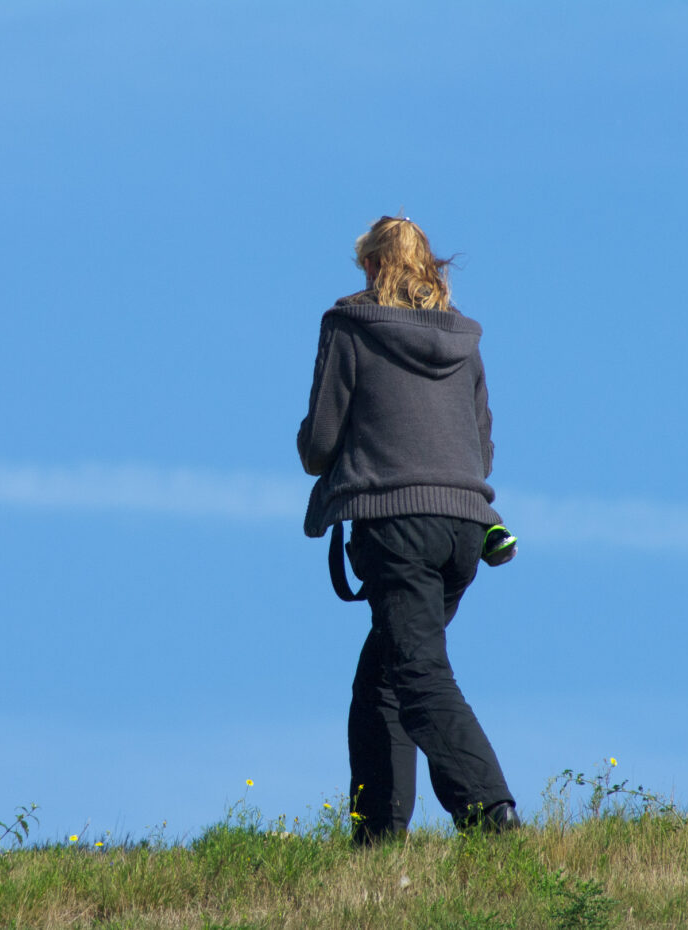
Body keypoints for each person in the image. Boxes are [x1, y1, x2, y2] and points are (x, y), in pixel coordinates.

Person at [297, 215, 520, 844]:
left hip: (396, 525)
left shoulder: (350, 325)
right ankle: (376, 838)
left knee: (419, 675)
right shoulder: (464, 339)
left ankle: (490, 812)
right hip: (464, 529)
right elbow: (482, 448)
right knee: (383, 677)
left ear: (371, 265)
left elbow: (319, 444)